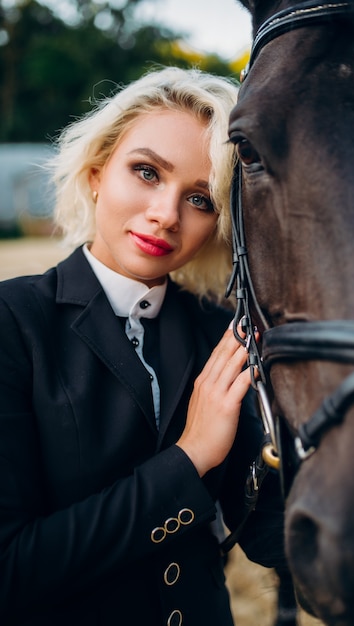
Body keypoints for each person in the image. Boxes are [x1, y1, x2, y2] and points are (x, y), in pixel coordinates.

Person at [0, 66, 284, 626]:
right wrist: (191, 456)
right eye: (147, 171)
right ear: (98, 170)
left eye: (201, 199)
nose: (166, 214)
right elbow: (11, 572)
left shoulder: (218, 328)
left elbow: (269, 534)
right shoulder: (13, 322)